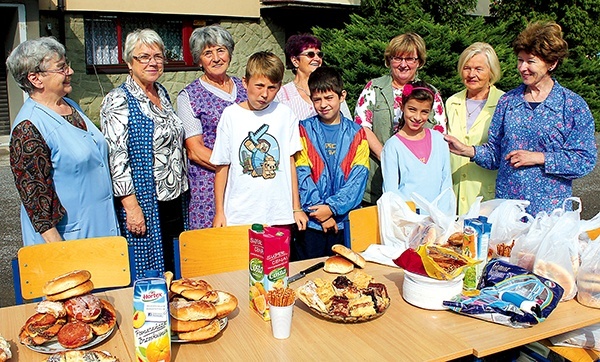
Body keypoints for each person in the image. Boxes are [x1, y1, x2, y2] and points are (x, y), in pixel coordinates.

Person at [445, 21, 597, 216]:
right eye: (520, 60)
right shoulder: (508, 101)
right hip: (508, 210)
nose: (523, 67)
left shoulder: (572, 105)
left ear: (552, 63)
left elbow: (584, 160)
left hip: (550, 212)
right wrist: (468, 150)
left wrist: (539, 158)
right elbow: (495, 154)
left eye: (531, 61)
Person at [6, 37, 120, 246]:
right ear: (35, 79)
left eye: (67, 65)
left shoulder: (71, 105)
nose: (70, 72)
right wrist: (61, 252)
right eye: (61, 68)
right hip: (67, 241)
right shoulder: (28, 128)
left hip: (101, 231)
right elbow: (36, 200)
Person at [101, 29, 189, 279]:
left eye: (158, 56)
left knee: (174, 266)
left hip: (174, 197)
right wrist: (131, 207)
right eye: (144, 57)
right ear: (129, 62)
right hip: (145, 200)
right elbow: (116, 159)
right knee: (149, 268)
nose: (153, 62)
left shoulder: (162, 92)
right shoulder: (118, 99)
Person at [210, 51, 308, 230]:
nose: (265, 94)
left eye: (272, 88)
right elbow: (222, 167)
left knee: (278, 258)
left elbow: (289, 162)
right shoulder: (231, 116)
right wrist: (219, 212)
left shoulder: (285, 115)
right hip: (240, 215)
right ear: (245, 82)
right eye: (259, 86)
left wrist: (296, 208)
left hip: (279, 214)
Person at [354, 33, 447, 205]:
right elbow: (362, 128)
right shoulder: (374, 88)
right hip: (377, 179)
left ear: (419, 62)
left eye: (410, 59)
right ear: (389, 60)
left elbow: (439, 134)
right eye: (397, 58)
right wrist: (388, 159)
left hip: (418, 188)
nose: (403, 65)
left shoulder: (431, 93)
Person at [293, 67, 369, 260]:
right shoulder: (303, 129)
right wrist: (321, 213)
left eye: (329, 98)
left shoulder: (357, 133)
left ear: (342, 96)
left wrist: (332, 209)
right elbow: (301, 175)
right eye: (317, 99)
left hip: (344, 222)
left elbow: (358, 180)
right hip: (311, 223)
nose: (323, 104)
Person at [177, 25, 247, 229]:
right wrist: (236, 168)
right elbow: (195, 150)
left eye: (221, 50)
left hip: (247, 184)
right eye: (208, 53)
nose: (216, 58)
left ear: (230, 53)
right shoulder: (189, 96)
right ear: (199, 59)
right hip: (208, 185)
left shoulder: (245, 87)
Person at [446, 42, 504, 215]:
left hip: (487, 197)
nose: (472, 74)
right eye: (467, 68)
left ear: (491, 72)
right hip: (454, 194)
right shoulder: (451, 102)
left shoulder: (505, 103)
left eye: (479, 69)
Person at [382, 81, 453, 214]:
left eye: (424, 112)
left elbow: (446, 183)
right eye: (412, 109)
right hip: (408, 222)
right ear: (402, 107)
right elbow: (391, 194)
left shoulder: (439, 140)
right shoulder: (392, 146)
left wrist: (442, 218)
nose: (417, 117)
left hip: (438, 220)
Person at [276, 34, 352, 120]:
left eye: (319, 54)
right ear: (295, 61)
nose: (317, 58)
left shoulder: (331, 87)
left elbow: (348, 122)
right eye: (310, 54)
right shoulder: (281, 95)